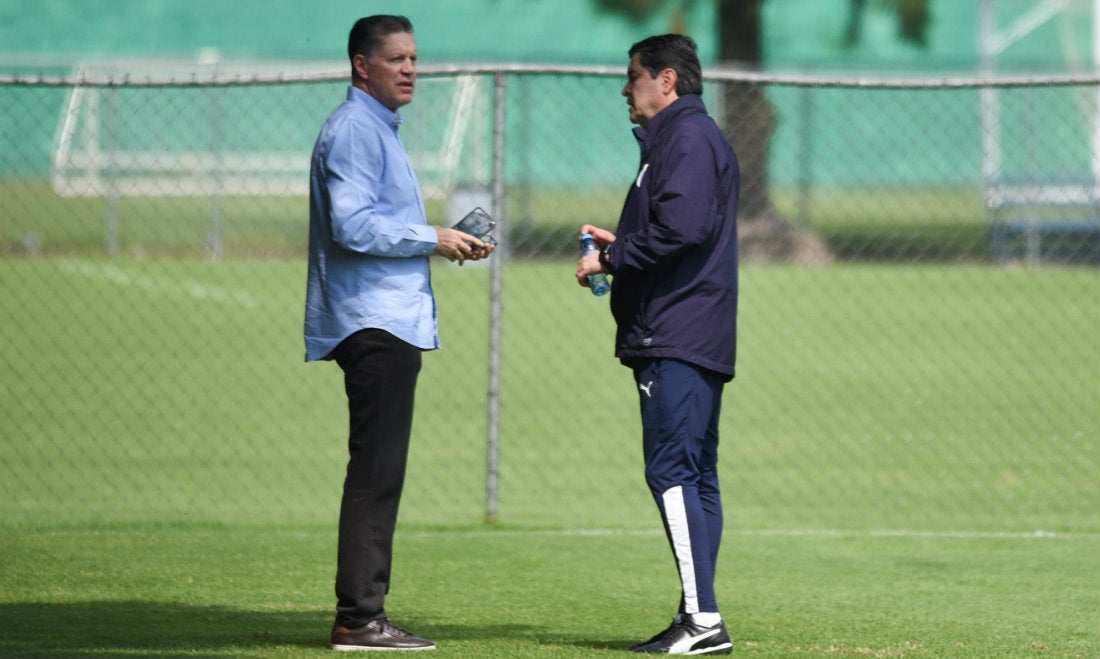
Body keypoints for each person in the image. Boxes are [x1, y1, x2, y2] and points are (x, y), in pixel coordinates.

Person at [304, 14, 493, 652]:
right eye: (396, 59)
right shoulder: (355, 129)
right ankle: (358, 618)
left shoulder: (377, 128)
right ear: (363, 65)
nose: (411, 68)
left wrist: (440, 238)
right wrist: (432, 236)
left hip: (388, 321)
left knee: (379, 469)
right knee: (376, 472)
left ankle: (361, 614)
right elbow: (352, 226)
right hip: (374, 322)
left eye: (414, 58)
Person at [575, 34, 739, 656]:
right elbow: (679, 227)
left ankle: (703, 622)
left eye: (634, 76)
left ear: (666, 81)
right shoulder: (681, 140)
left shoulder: (689, 138)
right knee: (695, 476)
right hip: (688, 328)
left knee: (673, 472)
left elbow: (683, 228)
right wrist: (628, 240)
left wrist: (611, 257)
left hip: (676, 332)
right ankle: (695, 615)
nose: (626, 88)